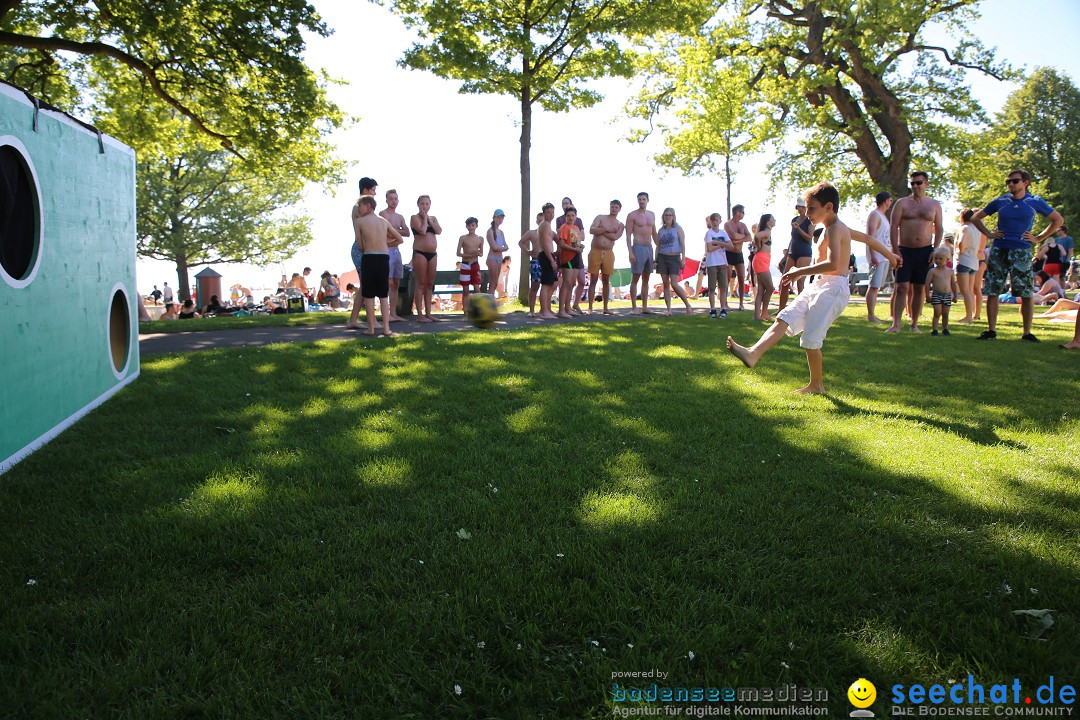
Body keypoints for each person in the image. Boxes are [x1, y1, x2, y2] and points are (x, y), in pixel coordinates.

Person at [726, 181, 899, 395]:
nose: (807, 213)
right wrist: (891, 256)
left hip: (833, 289)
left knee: (811, 338)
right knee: (785, 316)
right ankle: (753, 353)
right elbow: (868, 239)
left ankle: (817, 385)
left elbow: (835, 263)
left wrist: (799, 271)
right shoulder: (831, 227)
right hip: (820, 285)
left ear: (828, 207)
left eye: (811, 208)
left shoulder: (836, 229)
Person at [969, 169, 1064, 341]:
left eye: (1014, 181)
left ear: (1025, 182)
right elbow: (976, 218)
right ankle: (991, 331)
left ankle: (1027, 333)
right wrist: (989, 234)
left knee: (1026, 292)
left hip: (1021, 250)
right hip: (1000, 249)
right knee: (993, 290)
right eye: (1008, 182)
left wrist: (1039, 238)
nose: (1010, 184)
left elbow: (1057, 220)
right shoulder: (1001, 201)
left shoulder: (1034, 201)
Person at [886, 170, 943, 333]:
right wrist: (895, 250)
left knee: (919, 288)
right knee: (901, 287)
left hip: (925, 251)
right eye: (912, 183)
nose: (915, 186)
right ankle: (896, 324)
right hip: (904, 251)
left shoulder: (934, 205)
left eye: (919, 183)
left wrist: (935, 249)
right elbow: (893, 226)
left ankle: (914, 324)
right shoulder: (902, 203)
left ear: (926, 184)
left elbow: (939, 228)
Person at [354, 195, 403, 336]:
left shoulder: (359, 222)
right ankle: (386, 329)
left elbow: (359, 244)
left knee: (369, 295)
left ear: (368, 206)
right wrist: (386, 245)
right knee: (383, 294)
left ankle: (371, 328)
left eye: (361, 206)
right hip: (383, 258)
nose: (359, 209)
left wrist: (368, 249)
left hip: (369, 257)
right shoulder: (384, 221)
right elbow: (399, 239)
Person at [347, 178, 380, 327]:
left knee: (365, 286)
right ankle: (371, 321)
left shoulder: (365, 208)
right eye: (373, 190)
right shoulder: (359, 208)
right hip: (361, 250)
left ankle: (353, 320)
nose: (375, 193)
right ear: (365, 190)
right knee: (368, 286)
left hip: (367, 249)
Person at [410, 194, 443, 323]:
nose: (424, 206)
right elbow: (423, 231)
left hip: (432, 254)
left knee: (429, 284)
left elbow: (439, 230)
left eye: (427, 204)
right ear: (418, 205)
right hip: (420, 253)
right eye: (422, 203)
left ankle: (429, 313)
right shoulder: (414, 218)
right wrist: (424, 218)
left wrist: (428, 218)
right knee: (420, 283)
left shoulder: (433, 218)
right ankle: (420, 315)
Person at [588, 200, 625, 315]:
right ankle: (590, 307)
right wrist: (606, 229)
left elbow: (615, 236)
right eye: (612, 206)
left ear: (619, 209)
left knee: (606, 279)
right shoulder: (600, 217)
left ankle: (605, 307)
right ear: (609, 207)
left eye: (616, 207)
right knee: (593, 279)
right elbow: (592, 230)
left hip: (608, 252)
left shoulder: (620, 224)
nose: (614, 209)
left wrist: (601, 230)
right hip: (595, 251)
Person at [379, 189, 410, 321]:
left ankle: (393, 313)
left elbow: (407, 232)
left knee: (396, 282)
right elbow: (387, 231)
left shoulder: (400, 217)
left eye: (395, 199)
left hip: (397, 250)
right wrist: (397, 231)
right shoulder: (383, 214)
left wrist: (393, 230)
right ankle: (386, 314)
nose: (393, 201)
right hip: (386, 250)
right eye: (391, 198)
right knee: (388, 282)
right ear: (386, 200)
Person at [778, 198, 814, 312]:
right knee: (785, 281)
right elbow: (792, 238)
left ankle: (800, 311)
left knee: (800, 282)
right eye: (799, 206)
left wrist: (799, 229)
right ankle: (781, 309)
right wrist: (786, 255)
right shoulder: (794, 220)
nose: (801, 209)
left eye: (803, 207)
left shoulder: (810, 221)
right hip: (793, 252)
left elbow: (809, 238)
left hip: (804, 252)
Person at [656, 207, 692, 316]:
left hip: (674, 257)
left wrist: (683, 258)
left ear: (673, 216)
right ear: (663, 216)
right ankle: (669, 309)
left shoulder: (678, 228)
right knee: (665, 284)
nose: (668, 217)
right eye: (666, 215)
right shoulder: (661, 230)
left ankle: (687, 305)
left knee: (674, 284)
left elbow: (682, 244)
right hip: (662, 257)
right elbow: (658, 246)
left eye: (670, 215)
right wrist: (655, 259)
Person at [625, 191, 657, 315]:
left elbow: (654, 233)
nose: (641, 201)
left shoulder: (652, 215)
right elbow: (627, 234)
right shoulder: (632, 215)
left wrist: (658, 249)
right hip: (637, 247)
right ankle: (634, 307)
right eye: (639, 199)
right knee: (635, 278)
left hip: (649, 247)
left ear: (648, 200)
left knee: (646, 278)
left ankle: (644, 306)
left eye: (644, 199)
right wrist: (630, 252)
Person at [864, 191, 893, 323]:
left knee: (878, 286)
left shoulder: (884, 217)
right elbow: (871, 237)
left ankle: (873, 314)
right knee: (874, 286)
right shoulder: (875, 215)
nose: (891, 203)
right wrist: (873, 255)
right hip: (877, 256)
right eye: (890, 200)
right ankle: (871, 315)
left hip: (885, 256)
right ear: (886, 201)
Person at [556, 197, 588, 312]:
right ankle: (561, 310)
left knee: (571, 284)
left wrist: (580, 247)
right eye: (568, 216)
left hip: (576, 258)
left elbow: (576, 243)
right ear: (565, 217)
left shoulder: (576, 227)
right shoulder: (564, 227)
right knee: (566, 283)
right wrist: (575, 250)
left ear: (576, 216)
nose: (571, 218)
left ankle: (568, 308)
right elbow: (562, 244)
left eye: (573, 215)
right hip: (567, 259)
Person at [953, 209, 981, 323]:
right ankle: (970, 314)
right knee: (969, 291)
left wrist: (960, 251)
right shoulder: (977, 229)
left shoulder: (964, 228)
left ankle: (968, 316)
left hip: (964, 260)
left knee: (965, 291)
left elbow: (961, 242)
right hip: (974, 261)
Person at [703, 213, 733, 319]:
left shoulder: (723, 232)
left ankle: (723, 308)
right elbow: (709, 248)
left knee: (723, 287)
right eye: (713, 220)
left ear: (720, 221)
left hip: (722, 262)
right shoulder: (709, 233)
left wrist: (718, 243)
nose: (715, 221)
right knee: (712, 288)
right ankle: (712, 309)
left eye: (717, 220)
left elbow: (731, 246)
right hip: (712, 263)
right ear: (710, 221)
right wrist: (722, 244)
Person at [723, 205, 750, 311]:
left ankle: (741, 303)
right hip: (729, 253)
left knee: (741, 278)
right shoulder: (727, 224)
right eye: (742, 212)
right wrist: (741, 237)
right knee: (727, 278)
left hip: (739, 254)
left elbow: (749, 237)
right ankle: (724, 302)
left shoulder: (743, 225)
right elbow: (733, 235)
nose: (743, 214)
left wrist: (738, 240)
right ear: (736, 212)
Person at [518, 212, 545, 316]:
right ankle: (532, 310)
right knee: (535, 286)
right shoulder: (532, 233)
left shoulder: (549, 233)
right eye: (539, 221)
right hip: (536, 261)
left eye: (543, 221)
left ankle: (544, 309)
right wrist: (528, 252)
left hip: (546, 261)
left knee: (546, 286)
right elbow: (521, 242)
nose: (541, 223)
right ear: (537, 222)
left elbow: (557, 241)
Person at [457, 217, 484, 316]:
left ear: (476, 226)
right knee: (466, 290)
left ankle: (478, 311)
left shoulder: (480, 238)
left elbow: (481, 253)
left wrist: (477, 253)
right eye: (469, 225)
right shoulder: (463, 238)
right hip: (465, 265)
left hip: (475, 265)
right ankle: (466, 313)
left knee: (477, 289)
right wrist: (468, 256)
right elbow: (458, 253)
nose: (471, 227)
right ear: (466, 226)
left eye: (473, 225)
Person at [536, 202, 559, 320]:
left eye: (552, 212)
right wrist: (551, 260)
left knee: (554, 282)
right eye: (548, 212)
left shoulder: (548, 226)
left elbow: (555, 240)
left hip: (549, 255)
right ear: (544, 214)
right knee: (545, 284)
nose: (551, 214)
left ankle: (547, 308)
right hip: (545, 255)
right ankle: (544, 311)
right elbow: (545, 244)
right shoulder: (544, 225)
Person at [752, 215, 775, 322]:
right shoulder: (767, 231)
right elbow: (757, 236)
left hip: (762, 260)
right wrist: (759, 247)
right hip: (761, 260)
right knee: (770, 288)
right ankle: (764, 313)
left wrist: (758, 246)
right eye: (773, 218)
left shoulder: (767, 231)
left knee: (761, 289)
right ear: (768, 221)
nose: (775, 220)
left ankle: (757, 316)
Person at [927, 245, 953, 336]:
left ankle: (945, 329)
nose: (938, 260)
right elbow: (927, 284)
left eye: (941, 259)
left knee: (945, 313)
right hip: (936, 295)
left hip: (947, 295)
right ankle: (934, 330)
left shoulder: (950, 271)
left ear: (947, 259)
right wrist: (927, 295)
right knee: (937, 312)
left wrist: (955, 294)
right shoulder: (933, 271)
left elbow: (953, 283)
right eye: (936, 258)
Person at [485, 209, 509, 299]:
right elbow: (494, 247)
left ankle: (489, 300)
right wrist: (503, 248)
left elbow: (506, 245)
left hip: (499, 259)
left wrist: (502, 248)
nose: (500, 220)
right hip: (492, 258)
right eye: (498, 217)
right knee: (493, 282)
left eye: (502, 218)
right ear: (494, 218)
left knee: (495, 283)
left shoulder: (501, 232)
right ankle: (489, 302)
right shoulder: (490, 231)